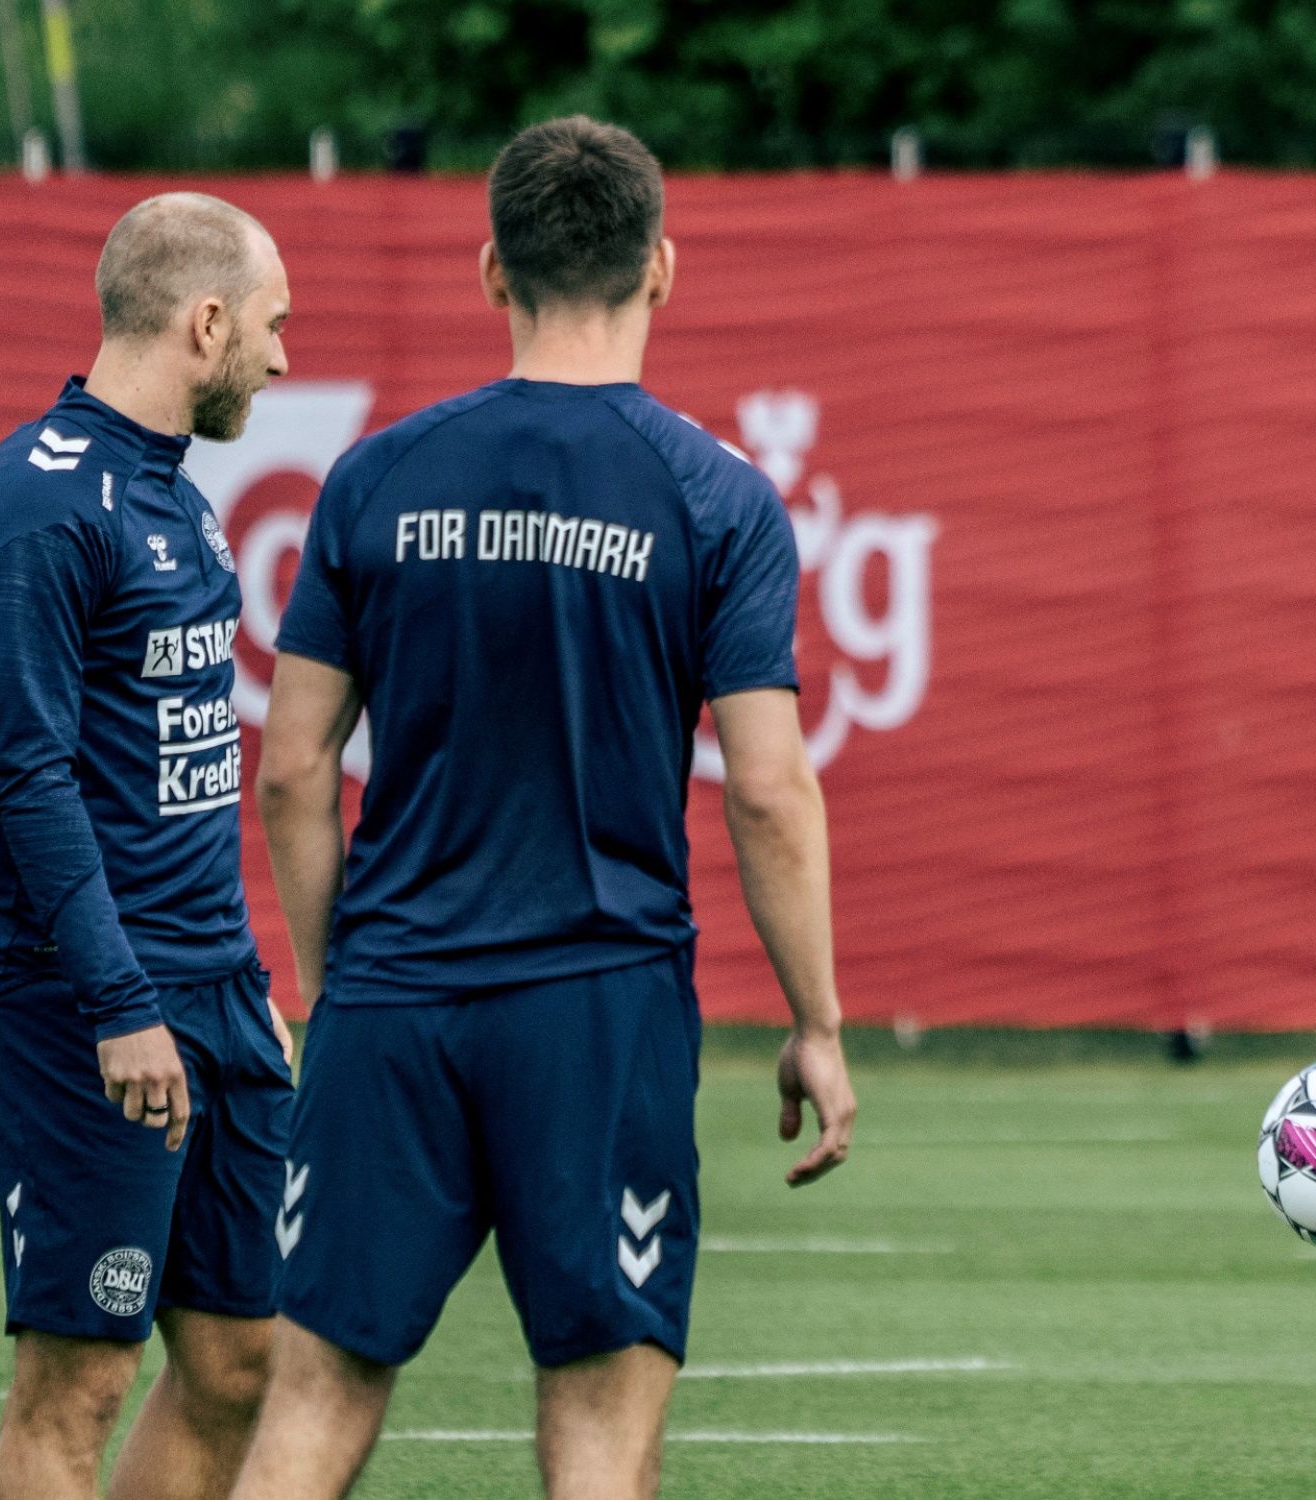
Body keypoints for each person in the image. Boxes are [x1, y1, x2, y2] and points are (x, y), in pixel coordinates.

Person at [231, 116, 857, 1500]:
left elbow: (289, 770)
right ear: (663, 270)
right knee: (597, 1427)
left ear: (489, 272)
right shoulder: (719, 499)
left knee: (315, 1400)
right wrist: (815, 1021)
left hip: (393, 1005)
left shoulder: (374, 477)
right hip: (596, 1004)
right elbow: (767, 787)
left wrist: (343, 987)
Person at [0, 192, 298, 1500]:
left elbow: (177, 783)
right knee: (77, 1386)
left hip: (214, 994)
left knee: (240, 1362)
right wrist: (121, 998)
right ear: (204, 321)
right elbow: (28, 774)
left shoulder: (178, 499)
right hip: (86, 1007)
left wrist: (237, 981)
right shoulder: (42, 505)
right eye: (271, 325)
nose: (281, 356)